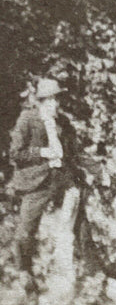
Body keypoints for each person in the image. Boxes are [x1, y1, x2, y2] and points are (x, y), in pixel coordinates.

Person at [9, 78, 76, 288]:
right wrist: (42, 152)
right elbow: (15, 153)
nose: (56, 103)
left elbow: (71, 153)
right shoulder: (27, 119)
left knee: (79, 220)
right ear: (41, 101)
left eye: (57, 99)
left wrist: (75, 178)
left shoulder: (62, 122)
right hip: (36, 181)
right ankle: (25, 274)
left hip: (60, 179)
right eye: (51, 99)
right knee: (25, 232)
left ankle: (90, 273)